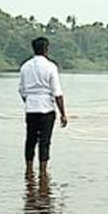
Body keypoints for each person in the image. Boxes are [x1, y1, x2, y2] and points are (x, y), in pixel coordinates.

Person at [18, 36, 68, 176]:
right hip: (47, 109)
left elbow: (21, 90)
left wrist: (29, 101)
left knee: (30, 140)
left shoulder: (25, 67)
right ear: (46, 49)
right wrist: (63, 114)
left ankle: (28, 170)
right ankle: (43, 172)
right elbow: (57, 93)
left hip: (31, 108)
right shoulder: (51, 67)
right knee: (45, 141)